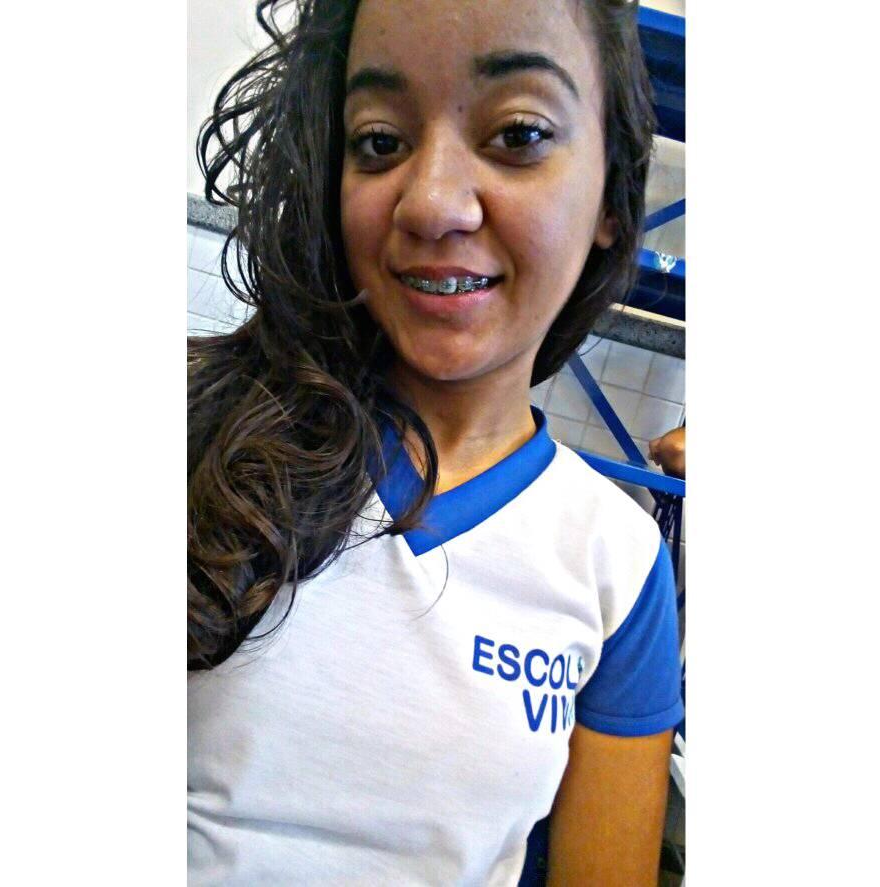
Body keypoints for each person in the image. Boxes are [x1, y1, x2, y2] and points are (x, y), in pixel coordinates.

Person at [187, 0, 683, 884]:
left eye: (519, 134)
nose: (431, 204)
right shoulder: (192, 428)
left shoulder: (616, 559)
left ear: (612, 197)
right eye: (379, 142)